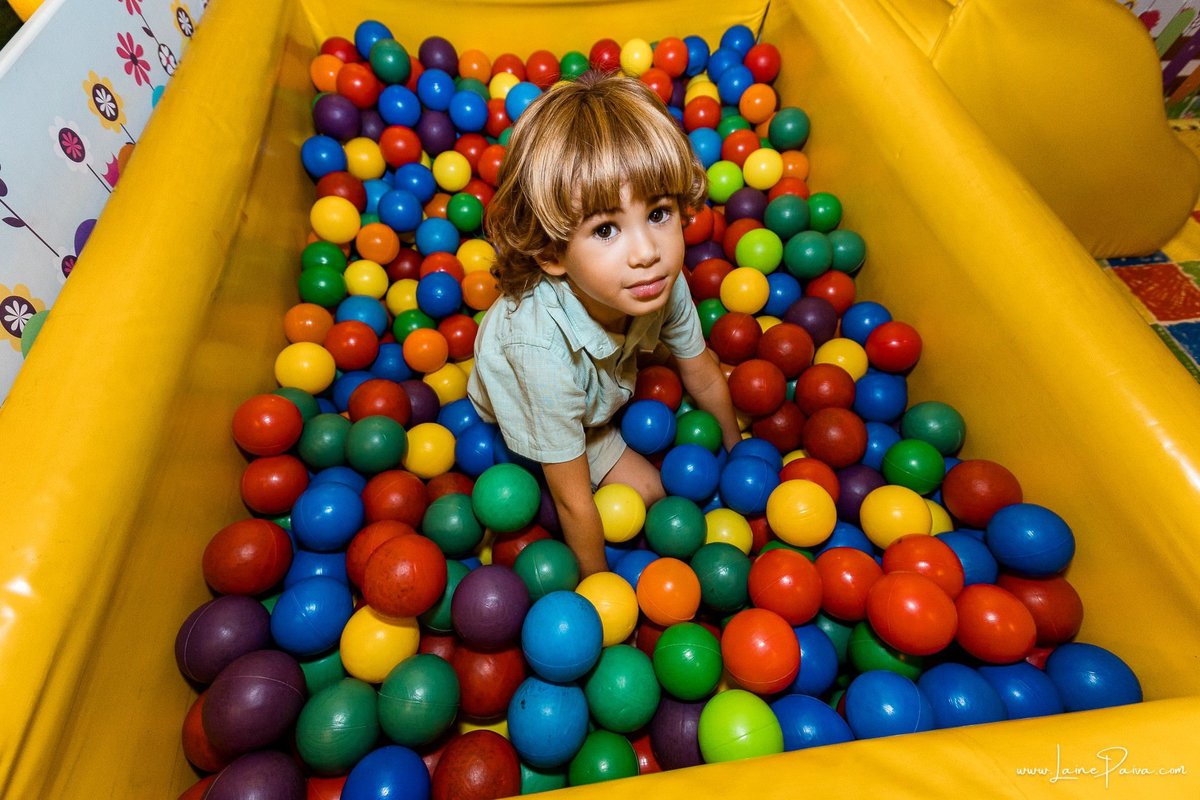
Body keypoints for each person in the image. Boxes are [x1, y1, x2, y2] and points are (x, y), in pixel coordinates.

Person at [467, 70, 741, 576]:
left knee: (697, 365)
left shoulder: (659, 281)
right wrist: (600, 590)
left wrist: (736, 450)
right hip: (532, 403)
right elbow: (572, 502)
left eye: (659, 213)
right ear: (551, 253)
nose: (646, 253)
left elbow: (702, 371)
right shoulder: (543, 356)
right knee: (653, 497)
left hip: (603, 359)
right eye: (607, 228)